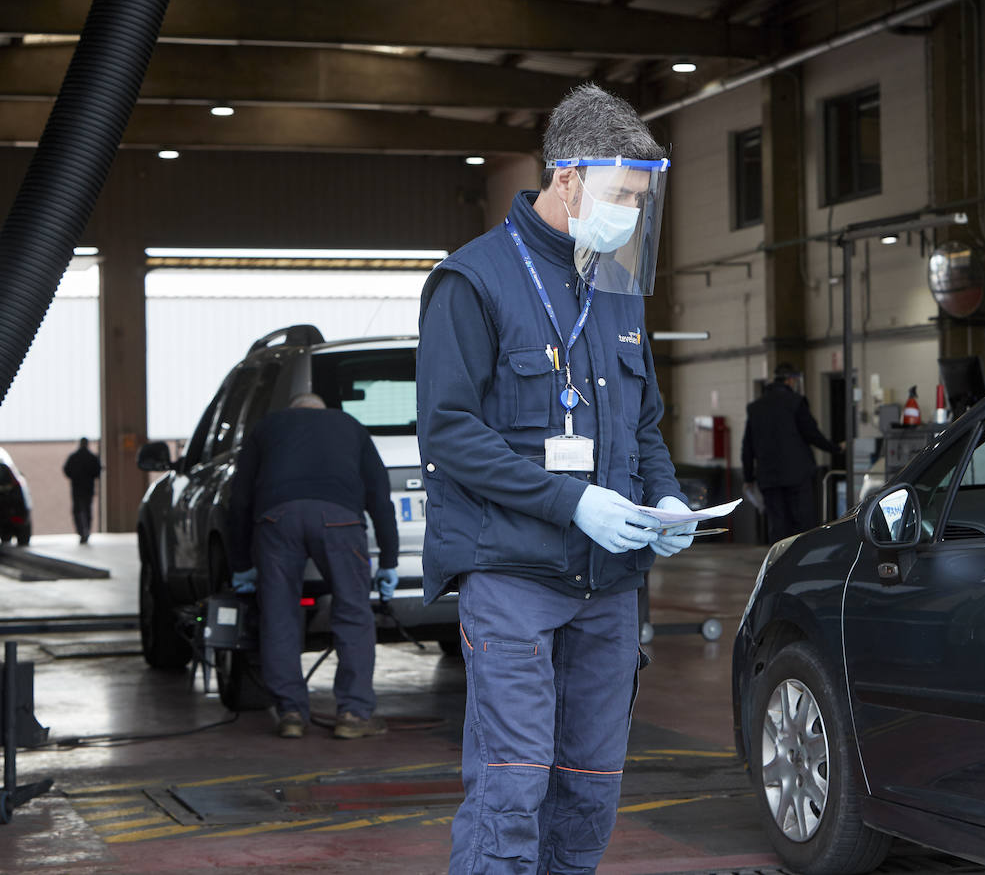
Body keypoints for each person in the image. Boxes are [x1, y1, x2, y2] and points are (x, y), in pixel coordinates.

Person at [417, 83, 696, 875]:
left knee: (589, 790)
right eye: (621, 195)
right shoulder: (471, 282)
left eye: (643, 199)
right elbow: (450, 436)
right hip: (512, 575)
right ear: (566, 179)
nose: (632, 215)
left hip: (607, 584)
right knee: (513, 788)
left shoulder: (615, 286)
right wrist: (573, 501)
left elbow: (642, 425)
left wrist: (665, 494)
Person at [227, 393, 399, 740]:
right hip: (340, 520)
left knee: (278, 615)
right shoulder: (350, 426)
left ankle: (290, 712)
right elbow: (380, 496)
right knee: (353, 612)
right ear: (323, 410)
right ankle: (353, 713)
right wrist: (390, 561)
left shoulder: (268, 427)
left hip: (277, 519)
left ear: (293, 410)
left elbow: (240, 498)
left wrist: (241, 564)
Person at [741, 363, 844, 543]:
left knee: (777, 524)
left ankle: (779, 564)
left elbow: (747, 446)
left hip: (768, 477)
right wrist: (835, 449)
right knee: (803, 522)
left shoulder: (755, 408)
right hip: (797, 475)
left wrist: (748, 477)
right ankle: (801, 564)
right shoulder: (796, 402)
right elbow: (812, 434)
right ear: (791, 380)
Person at [62, 437, 101, 544]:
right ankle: (87, 530)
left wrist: (75, 477)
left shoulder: (74, 457)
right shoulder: (92, 457)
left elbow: (66, 470)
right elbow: (98, 471)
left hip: (77, 487)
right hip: (88, 487)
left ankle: (81, 531)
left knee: (77, 510)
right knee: (87, 510)